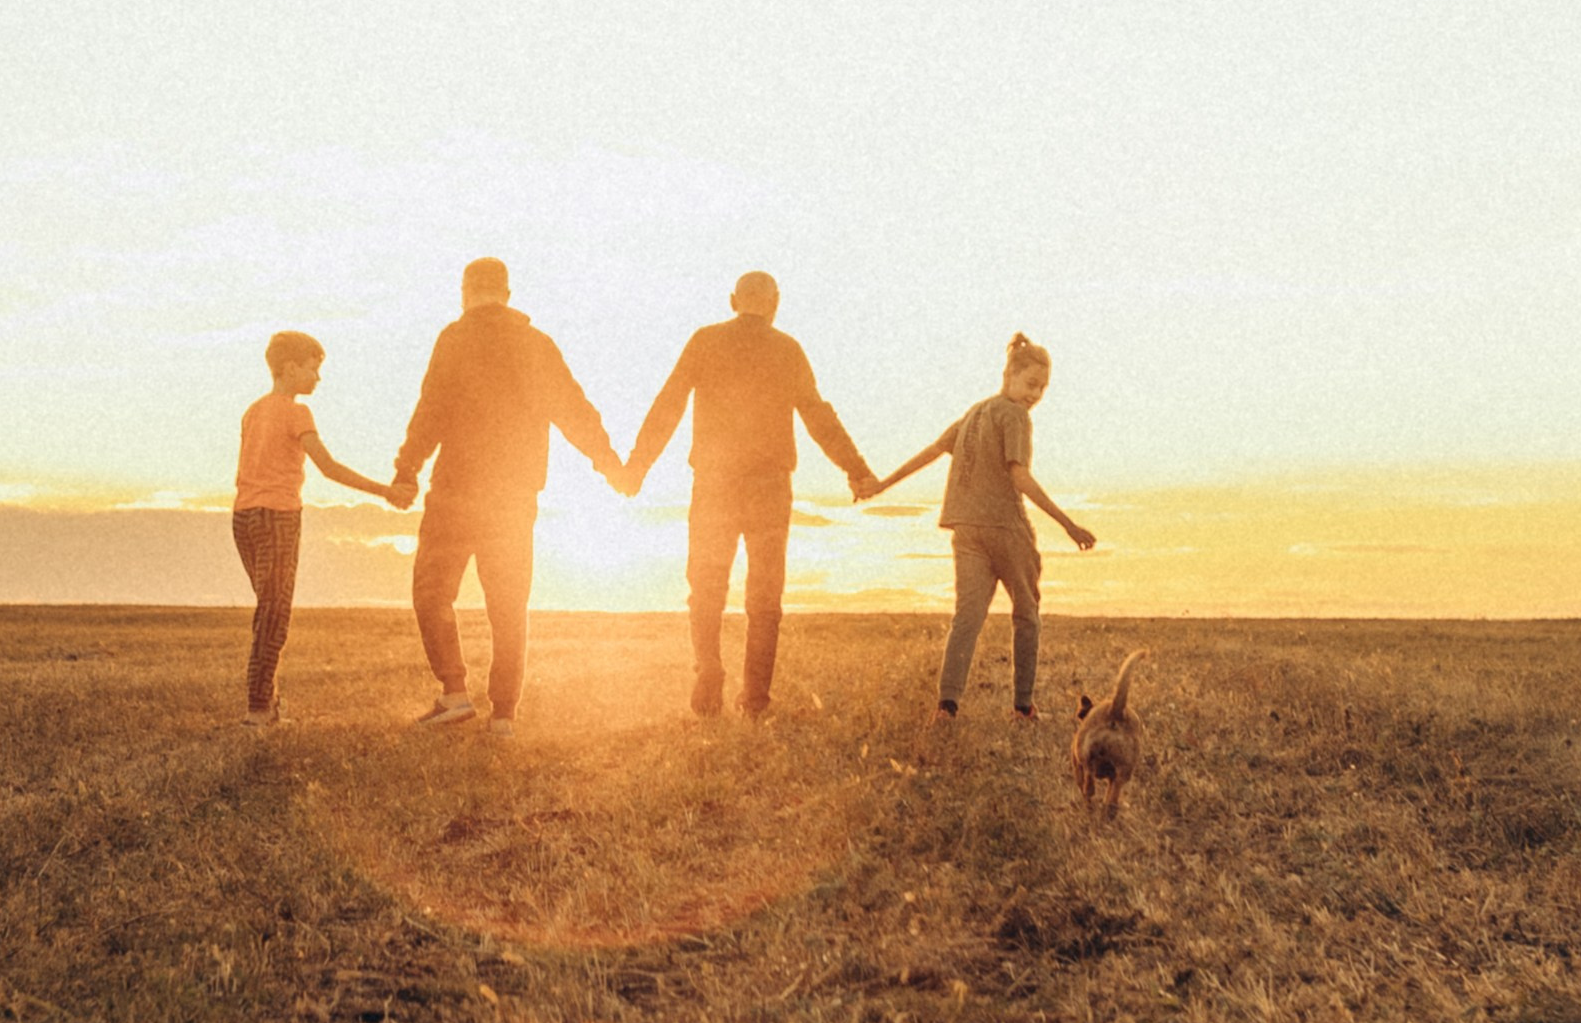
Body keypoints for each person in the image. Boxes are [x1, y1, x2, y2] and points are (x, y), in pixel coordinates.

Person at [623, 269, 880, 719]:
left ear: (732, 300)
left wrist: (637, 467)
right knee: (765, 597)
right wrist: (856, 470)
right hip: (769, 488)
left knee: (706, 587)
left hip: (714, 484)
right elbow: (818, 416)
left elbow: (669, 404)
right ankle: (756, 700)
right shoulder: (787, 350)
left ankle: (709, 668)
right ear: (775, 303)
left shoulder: (705, 341)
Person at [391, 256, 625, 735]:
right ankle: (504, 715)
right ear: (508, 293)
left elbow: (430, 409)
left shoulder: (454, 339)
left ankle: (454, 693)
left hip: (457, 488)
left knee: (432, 593)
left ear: (464, 292)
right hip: (515, 494)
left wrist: (407, 469)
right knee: (508, 603)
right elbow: (575, 410)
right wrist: (610, 465)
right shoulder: (536, 344)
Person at [865, 331, 1094, 727]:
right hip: (1006, 529)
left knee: (967, 618)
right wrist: (1068, 523)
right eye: (1030, 384)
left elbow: (931, 452)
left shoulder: (974, 413)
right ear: (1009, 375)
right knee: (1027, 615)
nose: (1035, 395)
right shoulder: (1014, 416)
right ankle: (1023, 707)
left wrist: (883, 484)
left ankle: (947, 706)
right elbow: (1019, 475)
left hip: (966, 528)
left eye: (1042, 388)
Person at [233, 327, 411, 724]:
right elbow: (328, 467)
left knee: (267, 609)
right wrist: (384, 491)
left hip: (243, 517)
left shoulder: (253, 411)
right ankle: (258, 710)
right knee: (275, 613)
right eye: (313, 369)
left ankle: (266, 703)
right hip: (278, 517)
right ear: (290, 368)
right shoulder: (297, 412)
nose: (318, 377)